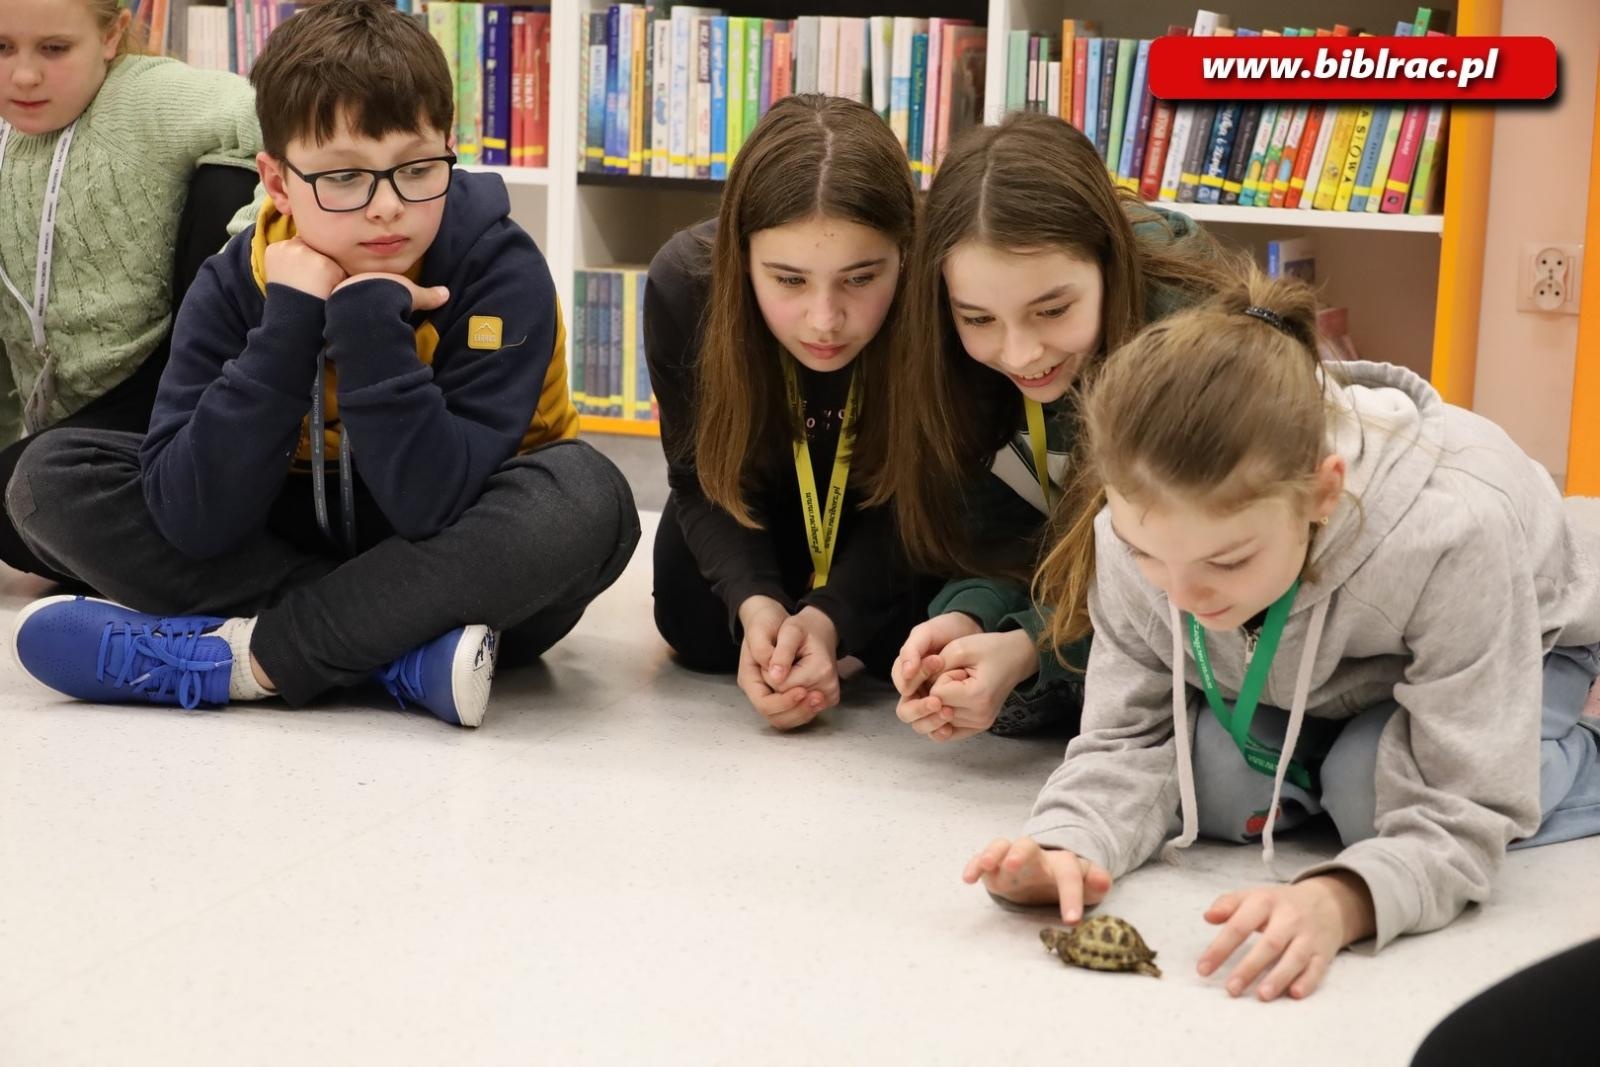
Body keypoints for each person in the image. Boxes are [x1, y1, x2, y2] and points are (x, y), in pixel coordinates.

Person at [963, 269, 1600, 1001]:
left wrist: (1343, 898)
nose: (1179, 594)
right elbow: (1122, 737)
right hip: (1324, 658)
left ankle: (1576, 750)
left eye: (1225, 559)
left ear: (1323, 493)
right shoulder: (1132, 532)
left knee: (1370, 798)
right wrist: (1064, 843)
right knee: (1221, 782)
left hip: (1534, 636)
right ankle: (1344, 746)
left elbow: (1466, 804)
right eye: (1146, 553)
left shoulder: (1454, 532)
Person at [6, 0, 638, 728]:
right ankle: (404, 657)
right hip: (320, 550)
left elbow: (432, 504)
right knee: (48, 483)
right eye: (343, 177)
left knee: (590, 496)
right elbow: (195, 520)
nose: (386, 209)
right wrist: (289, 326)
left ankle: (244, 660)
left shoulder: (500, 271)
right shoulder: (235, 278)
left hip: (454, 554)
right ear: (276, 183)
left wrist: (370, 324)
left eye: (416, 168)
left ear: (449, 146)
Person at [878, 111, 1233, 742]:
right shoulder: (947, 360)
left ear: (1110, 262)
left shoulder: (1186, 343)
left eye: (1052, 310)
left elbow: (1190, 580)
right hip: (1079, 608)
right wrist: (970, 619)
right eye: (979, 319)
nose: (1020, 355)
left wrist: (1026, 647)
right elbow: (996, 539)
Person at [646, 93, 931, 731]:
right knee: (698, 627)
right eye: (789, 280)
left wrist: (832, 621)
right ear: (740, 257)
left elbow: (934, 489)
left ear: (905, 253)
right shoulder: (683, 285)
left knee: (921, 629)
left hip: (900, 519)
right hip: (751, 502)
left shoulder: (941, 288)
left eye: (861, 278)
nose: (825, 321)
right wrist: (756, 607)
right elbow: (699, 477)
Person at [0, 0, 261, 580]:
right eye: (1, 48)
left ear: (113, 34)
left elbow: (294, 127)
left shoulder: (148, 98)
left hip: (179, 381)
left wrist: (252, 244)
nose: (23, 75)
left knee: (229, 177)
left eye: (54, 48)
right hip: (87, 416)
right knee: (15, 503)